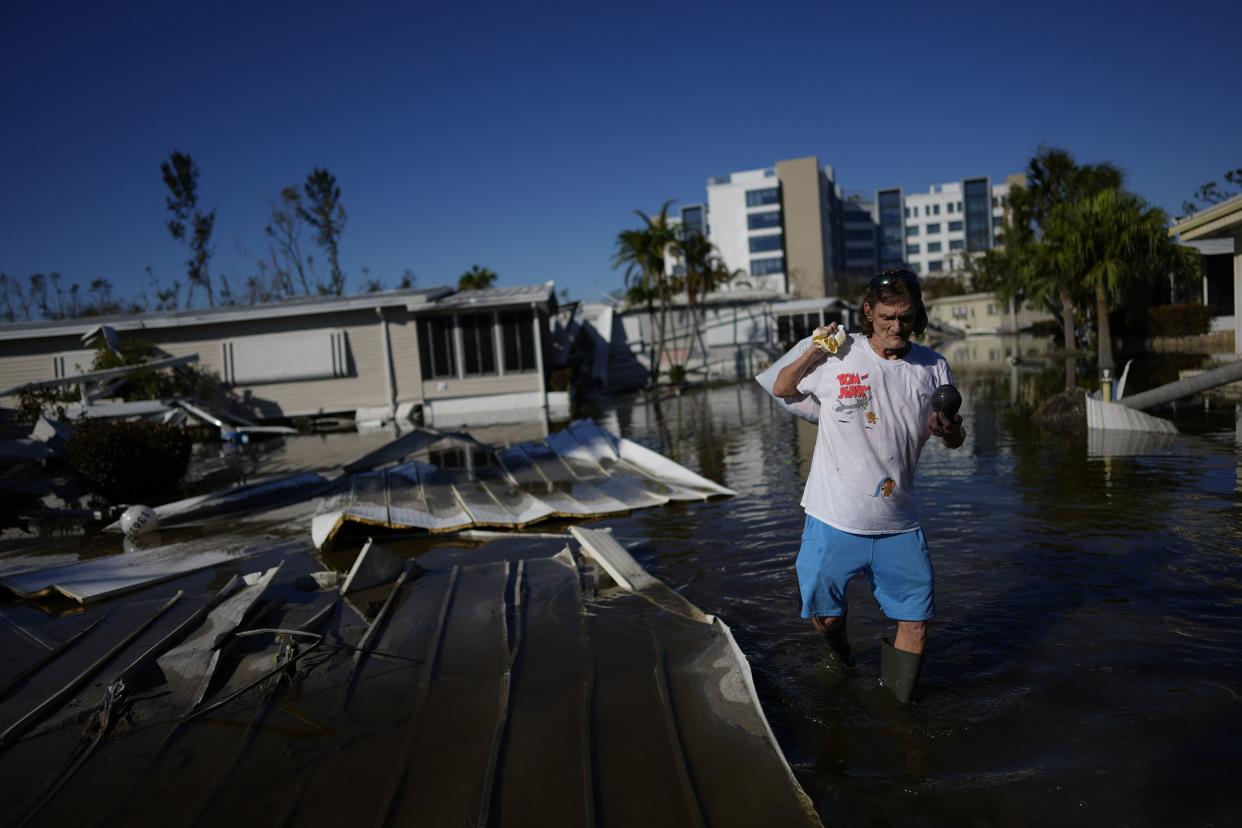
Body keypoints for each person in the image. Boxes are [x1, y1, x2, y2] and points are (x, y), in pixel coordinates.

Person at [771, 268, 965, 703]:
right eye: (887, 317)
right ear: (868, 313)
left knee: (915, 622)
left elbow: (955, 438)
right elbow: (783, 388)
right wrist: (815, 350)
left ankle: (899, 715)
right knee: (824, 618)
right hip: (833, 516)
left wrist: (947, 429)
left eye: (906, 317)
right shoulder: (840, 353)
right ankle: (840, 653)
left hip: (899, 520)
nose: (897, 327)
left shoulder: (933, 366)